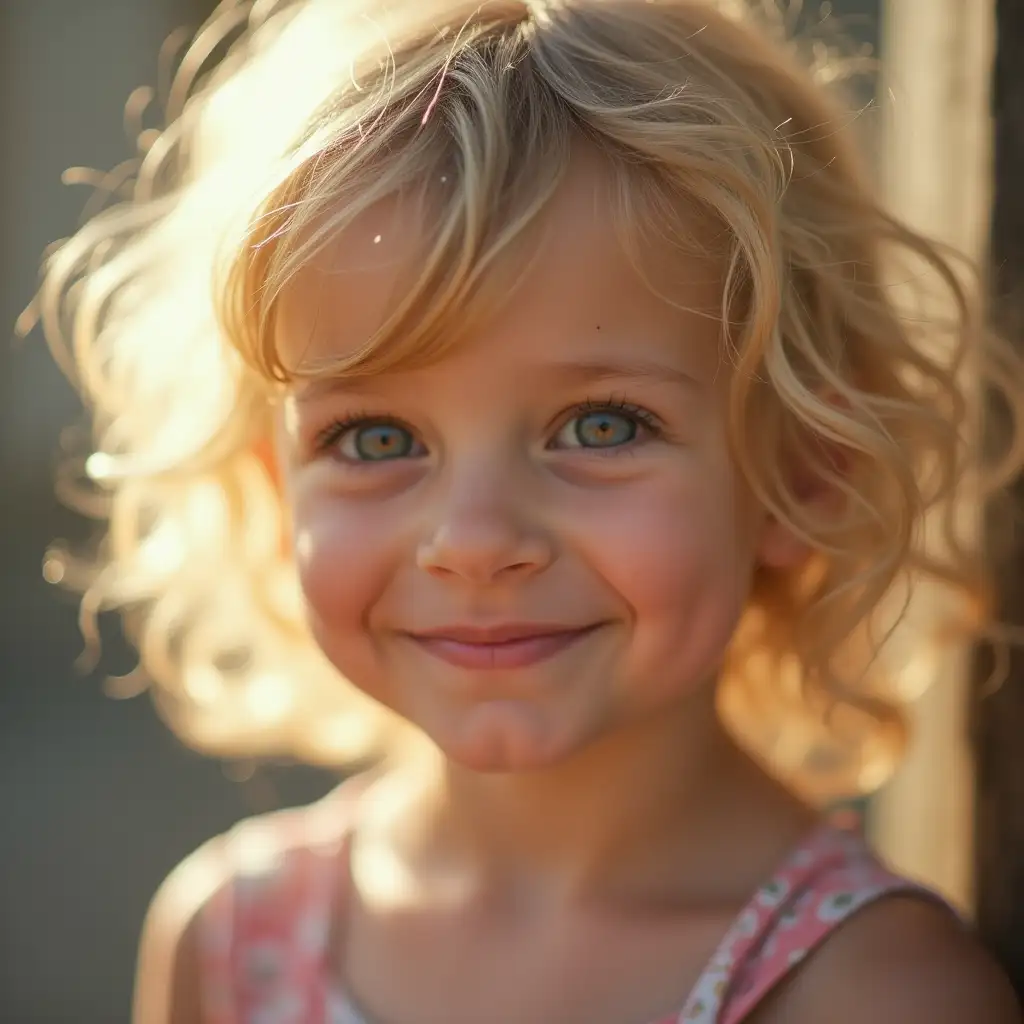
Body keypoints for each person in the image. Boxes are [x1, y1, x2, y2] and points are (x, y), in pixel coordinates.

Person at [28, 0, 1024, 1020]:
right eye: (375, 439)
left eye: (599, 426)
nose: (473, 541)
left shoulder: (869, 992)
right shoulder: (230, 943)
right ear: (278, 491)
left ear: (808, 466)